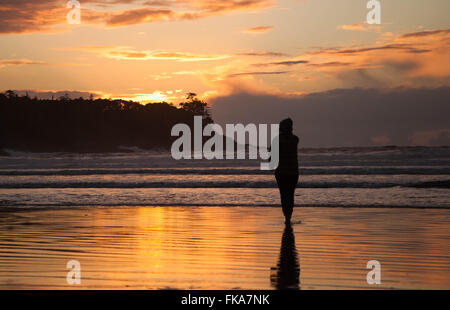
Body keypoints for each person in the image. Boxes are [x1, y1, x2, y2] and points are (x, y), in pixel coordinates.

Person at [275, 118, 299, 224]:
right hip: (293, 172)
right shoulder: (295, 139)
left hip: (281, 172)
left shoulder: (277, 140)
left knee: (283, 195)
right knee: (290, 194)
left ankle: (287, 217)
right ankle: (289, 216)